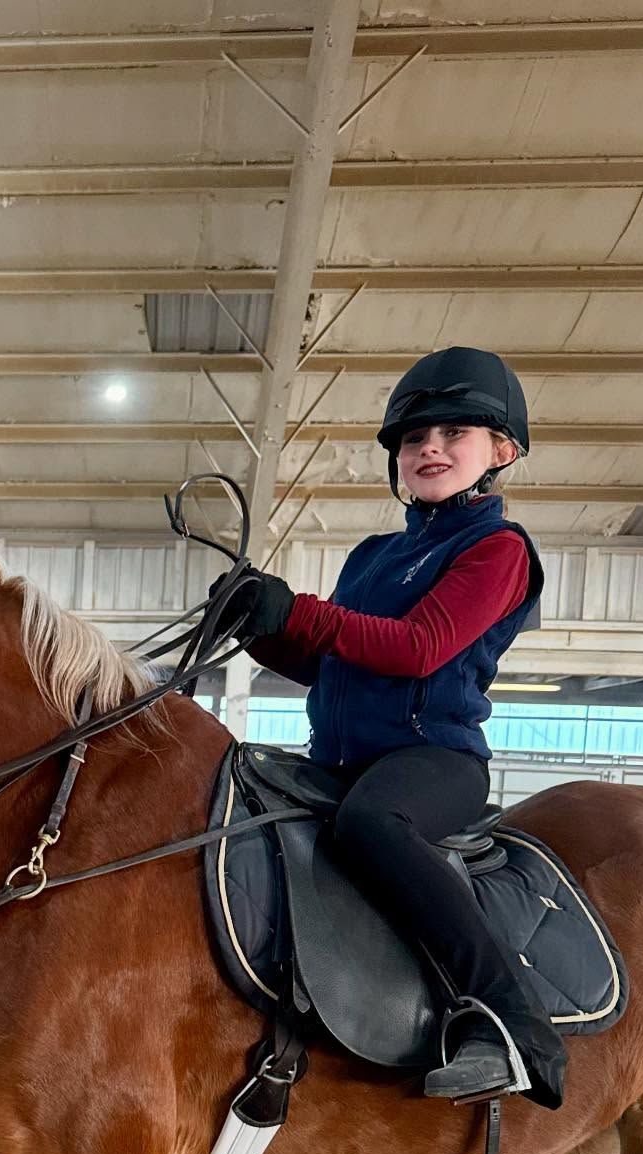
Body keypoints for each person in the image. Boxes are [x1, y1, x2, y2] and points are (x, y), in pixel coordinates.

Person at [224, 345, 566, 1109]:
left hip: (432, 760)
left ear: (500, 453)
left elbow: (418, 652)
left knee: (371, 826)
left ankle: (513, 1024)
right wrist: (262, 626)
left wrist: (305, 613)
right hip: (339, 756)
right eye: (416, 439)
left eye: (454, 435)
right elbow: (338, 666)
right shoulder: (374, 555)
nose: (431, 449)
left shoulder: (498, 550)